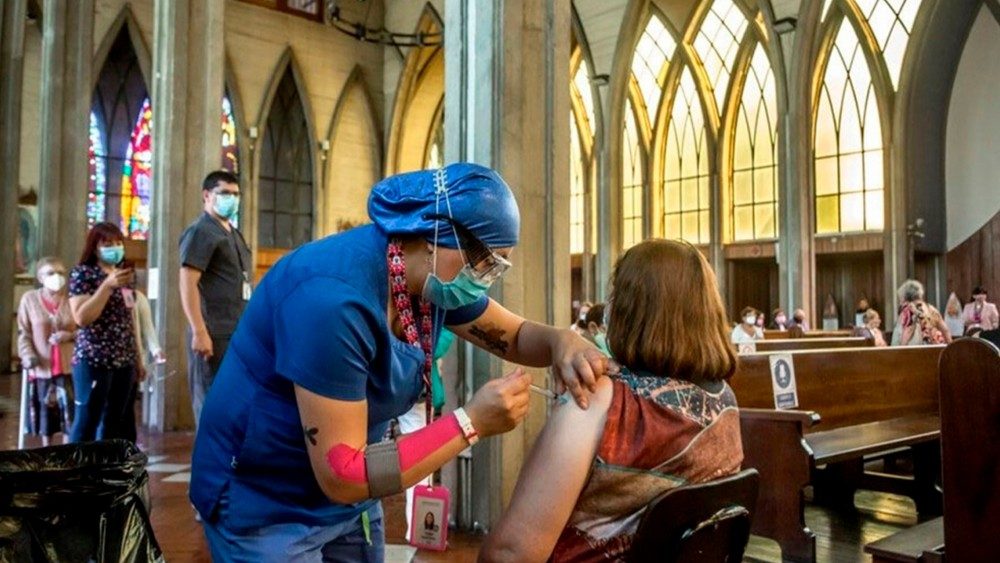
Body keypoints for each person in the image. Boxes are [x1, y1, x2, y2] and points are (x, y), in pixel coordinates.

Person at [190, 163, 609, 560]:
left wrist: (562, 342)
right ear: (435, 234)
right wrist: (471, 422)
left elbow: (512, 336)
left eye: (497, 267)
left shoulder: (428, 282)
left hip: (350, 495)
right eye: (485, 262)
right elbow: (343, 475)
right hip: (267, 496)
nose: (485, 279)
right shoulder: (333, 302)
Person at [479, 239, 743, 561]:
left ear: (629, 309)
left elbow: (510, 554)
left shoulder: (601, 400)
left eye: (614, 295)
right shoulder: (725, 400)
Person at [179, 170, 252, 428]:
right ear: (207, 195)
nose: (232, 199)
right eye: (225, 193)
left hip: (235, 331)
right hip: (213, 333)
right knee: (212, 407)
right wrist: (199, 331)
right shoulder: (202, 231)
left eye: (236, 194)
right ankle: (208, 456)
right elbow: (188, 281)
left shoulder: (233, 233)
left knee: (232, 407)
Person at [68, 222, 143, 442]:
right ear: (95, 247)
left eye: (118, 243)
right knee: (87, 421)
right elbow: (82, 318)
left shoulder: (125, 275)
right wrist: (106, 286)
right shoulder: (83, 274)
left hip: (124, 359)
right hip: (94, 359)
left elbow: (130, 317)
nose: (115, 248)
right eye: (108, 244)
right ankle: (76, 463)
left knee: (114, 422)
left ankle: (103, 463)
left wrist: (138, 357)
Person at [17, 256, 76, 446]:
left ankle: (66, 453)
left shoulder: (73, 299)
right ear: (40, 277)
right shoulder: (30, 299)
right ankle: (46, 451)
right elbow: (24, 333)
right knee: (45, 417)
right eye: (51, 273)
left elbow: (85, 329)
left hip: (68, 367)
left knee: (69, 415)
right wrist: (28, 355)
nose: (56, 277)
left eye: (60, 273)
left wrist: (70, 335)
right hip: (42, 367)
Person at [891, 280, 952, 346]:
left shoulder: (909, 310)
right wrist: (951, 348)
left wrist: (901, 349)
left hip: (917, 349)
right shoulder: (931, 309)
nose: (900, 302)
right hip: (932, 348)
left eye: (900, 299)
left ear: (906, 297)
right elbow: (945, 330)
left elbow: (908, 331)